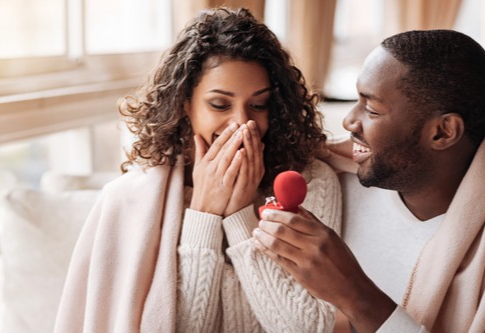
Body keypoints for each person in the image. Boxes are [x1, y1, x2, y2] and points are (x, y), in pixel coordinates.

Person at [54, 7, 342, 333]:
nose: (242, 122)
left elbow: (309, 328)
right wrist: (203, 215)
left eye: (258, 104)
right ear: (185, 104)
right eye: (220, 104)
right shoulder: (132, 201)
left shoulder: (311, 183)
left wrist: (238, 213)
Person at [254, 29, 485, 333]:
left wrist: (354, 294)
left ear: (442, 132)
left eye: (372, 109)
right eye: (357, 99)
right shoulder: (328, 180)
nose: (348, 122)